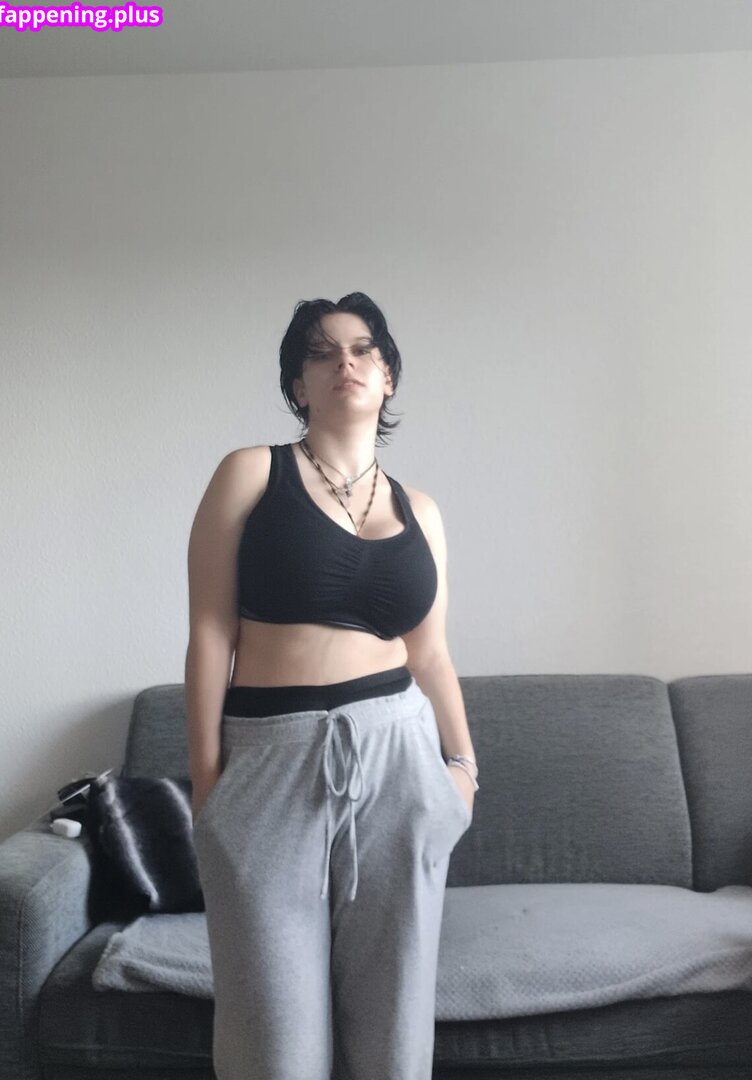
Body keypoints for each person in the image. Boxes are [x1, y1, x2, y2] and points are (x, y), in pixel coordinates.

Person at [185, 291, 479, 1080]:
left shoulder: (422, 511)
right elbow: (211, 634)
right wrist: (209, 790)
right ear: (298, 384)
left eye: (361, 350)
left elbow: (432, 655)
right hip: (272, 762)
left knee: (393, 1038)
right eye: (321, 353)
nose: (344, 363)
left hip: (403, 762)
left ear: (387, 377)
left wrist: (462, 772)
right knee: (272, 1043)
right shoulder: (251, 474)